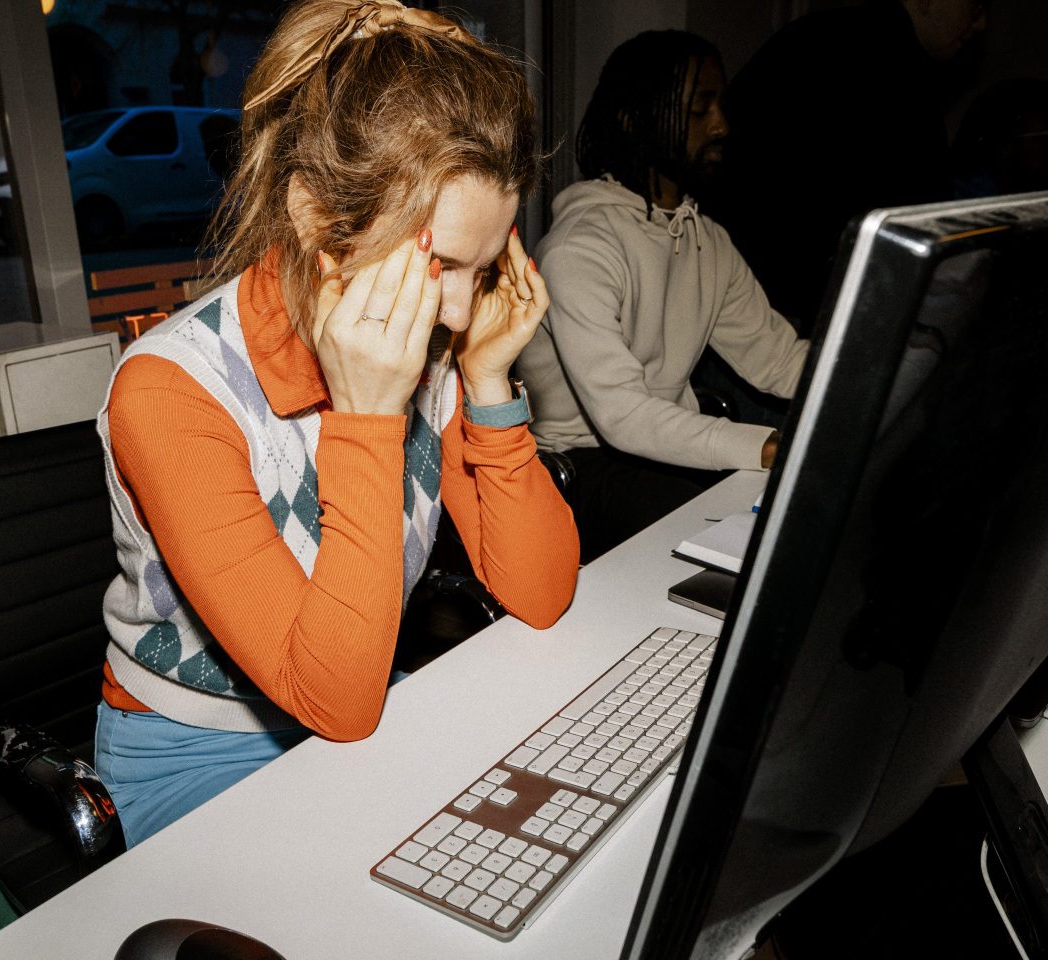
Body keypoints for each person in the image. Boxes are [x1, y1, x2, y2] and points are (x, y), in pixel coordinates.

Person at [92, 0, 580, 848]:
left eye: (488, 263)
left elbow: (540, 596)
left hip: (361, 708)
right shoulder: (168, 393)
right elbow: (337, 702)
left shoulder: (434, 346)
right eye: (442, 264)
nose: (462, 308)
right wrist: (366, 420)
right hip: (198, 754)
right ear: (320, 220)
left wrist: (489, 378)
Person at [516, 31, 809, 562]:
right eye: (701, 108)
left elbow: (780, 362)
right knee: (745, 548)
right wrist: (764, 446)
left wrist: (867, 374)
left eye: (720, 106)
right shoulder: (581, 250)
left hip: (660, 448)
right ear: (636, 120)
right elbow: (623, 415)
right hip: (578, 462)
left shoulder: (707, 239)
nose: (722, 124)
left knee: (795, 517)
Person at [717, 0, 988, 332]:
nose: (980, 24)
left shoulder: (835, 39)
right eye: (975, 7)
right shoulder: (875, 56)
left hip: (781, 308)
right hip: (794, 318)